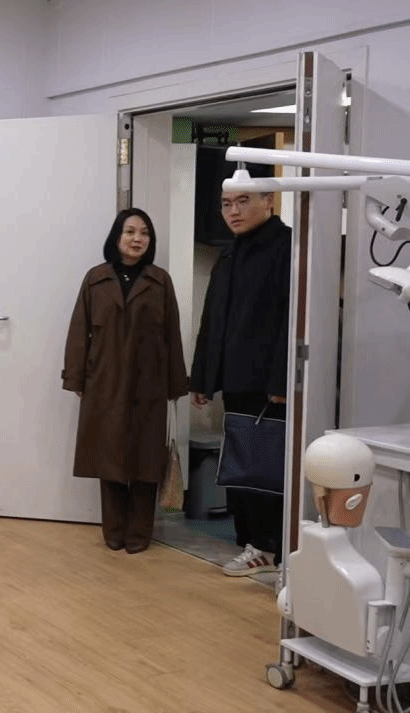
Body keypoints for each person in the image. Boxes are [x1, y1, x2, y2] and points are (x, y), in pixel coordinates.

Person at [62, 208, 188, 554]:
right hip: (104, 382)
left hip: (149, 385)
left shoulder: (160, 281)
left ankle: (139, 533)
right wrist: (76, 377)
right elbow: (78, 331)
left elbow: (172, 336)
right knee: (109, 457)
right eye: (130, 231)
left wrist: (176, 385)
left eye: (144, 233)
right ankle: (114, 530)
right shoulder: (96, 279)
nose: (137, 239)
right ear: (116, 237)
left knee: (146, 460)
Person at [190, 169, 291, 577]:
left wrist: (281, 380)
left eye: (243, 201)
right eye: (227, 204)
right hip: (235, 382)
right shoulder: (231, 253)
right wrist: (202, 378)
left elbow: (292, 319)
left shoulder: (287, 248)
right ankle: (251, 543)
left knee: (263, 470)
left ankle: (269, 548)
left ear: (269, 201)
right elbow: (212, 320)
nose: (233, 211)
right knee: (239, 469)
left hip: (268, 386)